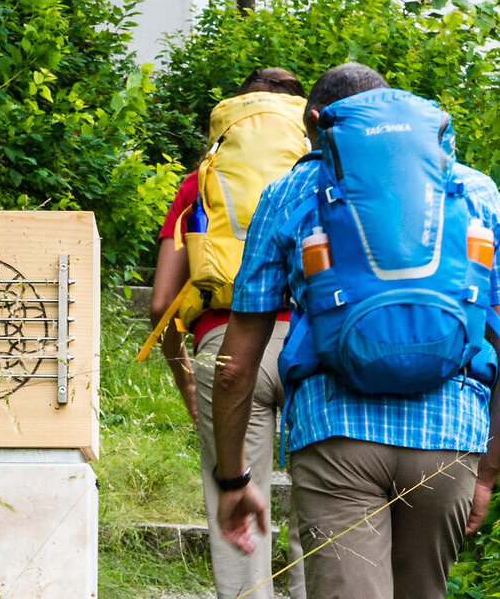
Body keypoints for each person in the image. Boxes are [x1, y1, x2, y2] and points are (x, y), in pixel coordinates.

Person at [207, 63, 500, 599]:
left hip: (335, 438)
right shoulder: (473, 189)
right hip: (447, 441)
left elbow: (235, 369)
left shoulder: (288, 194)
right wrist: (484, 476)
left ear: (316, 122)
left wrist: (232, 482)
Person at [150, 67, 307, 599]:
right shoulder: (318, 177)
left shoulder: (202, 181)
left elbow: (159, 305)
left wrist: (185, 379)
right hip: (314, 346)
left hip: (225, 347)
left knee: (237, 498)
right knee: (325, 506)